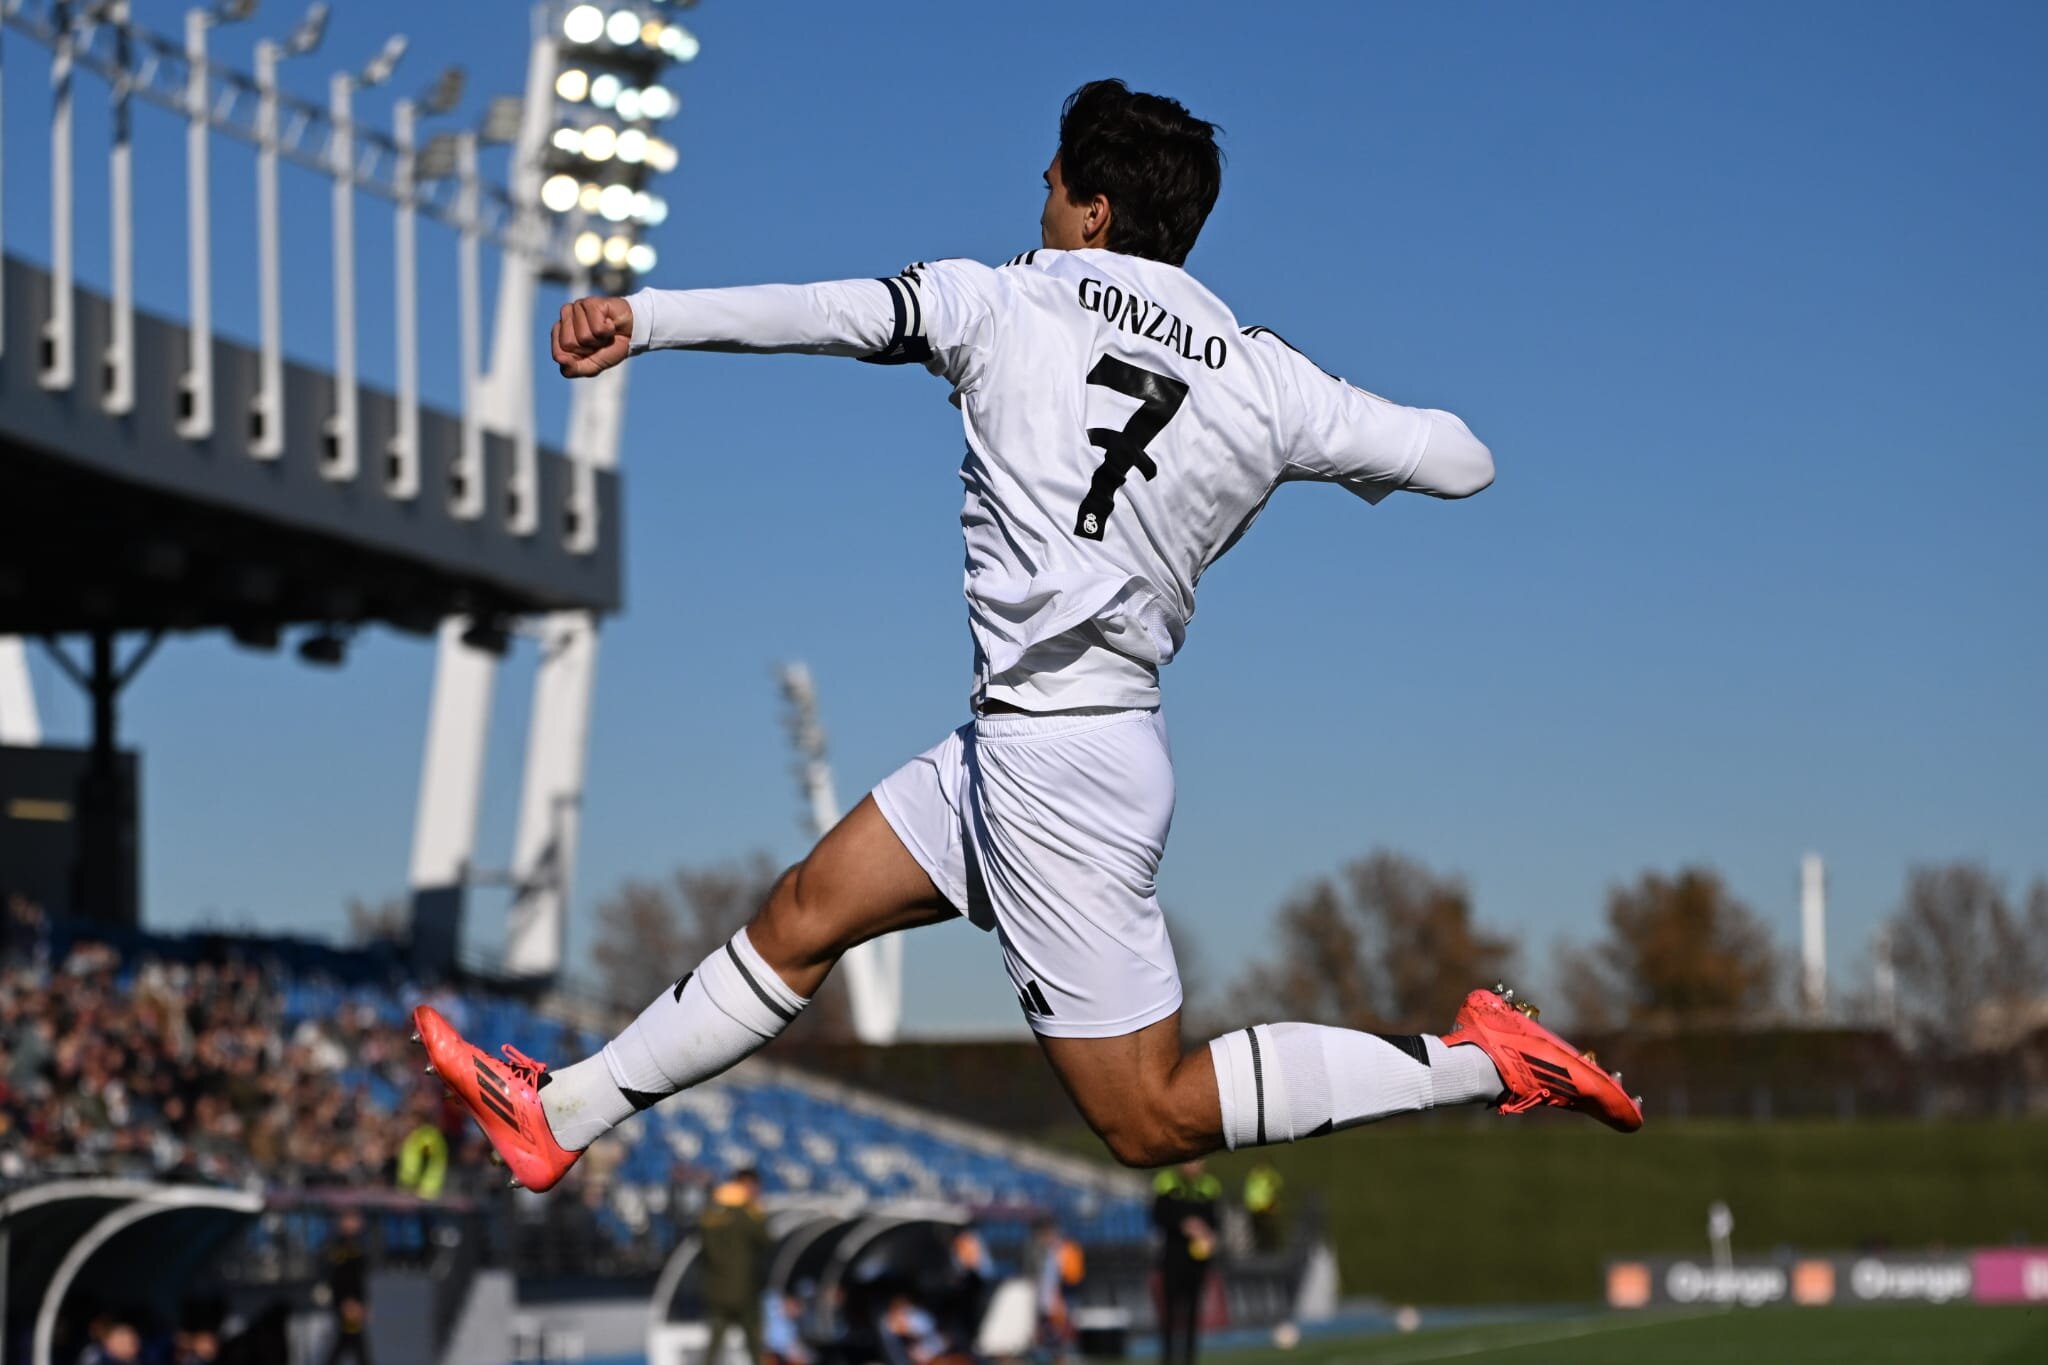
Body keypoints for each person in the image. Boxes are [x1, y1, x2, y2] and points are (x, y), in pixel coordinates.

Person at [412, 78, 1642, 1196]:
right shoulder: (1264, 379)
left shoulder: (1001, 299)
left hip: (1056, 770)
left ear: (1095, 210)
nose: (1037, 200)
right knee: (805, 913)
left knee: (1148, 1120)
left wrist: (648, 315)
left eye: (1052, 183)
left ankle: (1479, 1063)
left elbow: (830, 311)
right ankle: (558, 1113)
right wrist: (1293, 409)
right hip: (1045, 740)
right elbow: (1461, 459)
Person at [699, 1168, 771, 1365]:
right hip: (744, 1291)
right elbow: (765, 1239)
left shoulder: (712, 1212)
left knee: (714, 1342)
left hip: (717, 1291)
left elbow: (706, 1240)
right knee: (754, 1341)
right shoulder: (747, 1214)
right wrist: (755, 1211)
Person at [1152, 1160, 1220, 1365]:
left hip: (1196, 1263)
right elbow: (1158, 1216)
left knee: (1192, 1313)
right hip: (1173, 1258)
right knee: (1170, 1313)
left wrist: (1208, 1233)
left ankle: (1190, 1359)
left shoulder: (1210, 1186)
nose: (1193, 1166)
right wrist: (1184, 1224)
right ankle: (1168, 1359)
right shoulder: (1166, 1182)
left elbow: (1216, 1221)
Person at [324, 1209, 373, 1365]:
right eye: (351, 1218)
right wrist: (347, 1302)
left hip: (355, 1303)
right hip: (347, 1303)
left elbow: (360, 1279)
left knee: (351, 1343)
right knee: (351, 1343)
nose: (356, 1222)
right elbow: (340, 1278)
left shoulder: (359, 1244)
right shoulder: (339, 1247)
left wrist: (364, 1303)